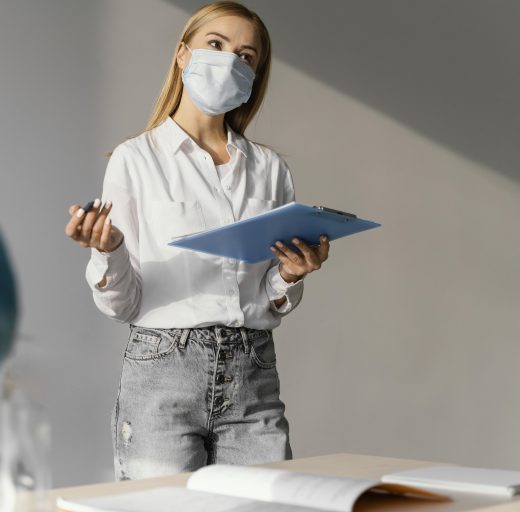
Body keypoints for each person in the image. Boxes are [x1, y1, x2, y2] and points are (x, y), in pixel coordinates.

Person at [65, 1, 330, 481]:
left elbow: (268, 297)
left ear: (255, 74)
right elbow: (123, 305)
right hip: (163, 370)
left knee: (268, 504)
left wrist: (290, 275)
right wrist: (109, 250)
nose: (230, 61)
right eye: (216, 44)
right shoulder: (135, 160)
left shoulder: (269, 169)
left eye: (246, 56)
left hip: (253, 372)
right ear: (183, 54)